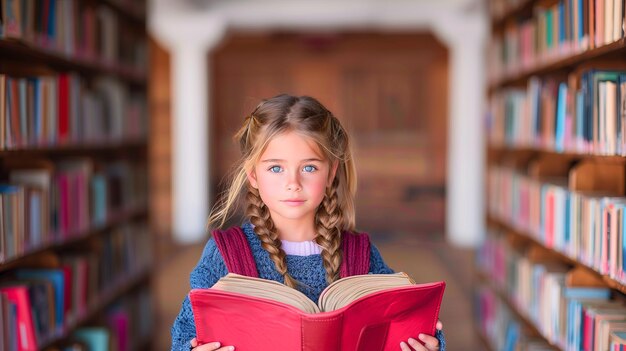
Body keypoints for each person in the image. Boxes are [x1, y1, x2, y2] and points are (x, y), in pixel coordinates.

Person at [170, 94, 446, 351]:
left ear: (330, 173)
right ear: (253, 174)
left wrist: (429, 343)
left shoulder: (360, 254)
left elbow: (403, 320)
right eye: (275, 168)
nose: (293, 184)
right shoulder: (225, 254)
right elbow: (184, 335)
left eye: (309, 167)